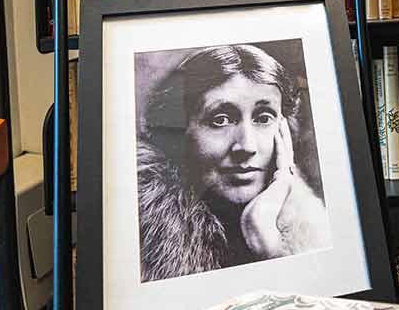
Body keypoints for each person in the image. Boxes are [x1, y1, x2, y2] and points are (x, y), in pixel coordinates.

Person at [136, 44, 329, 282]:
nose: (246, 146)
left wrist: (268, 244)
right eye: (220, 120)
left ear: (284, 132)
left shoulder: (308, 224)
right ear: (176, 133)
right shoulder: (142, 233)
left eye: (263, 118)